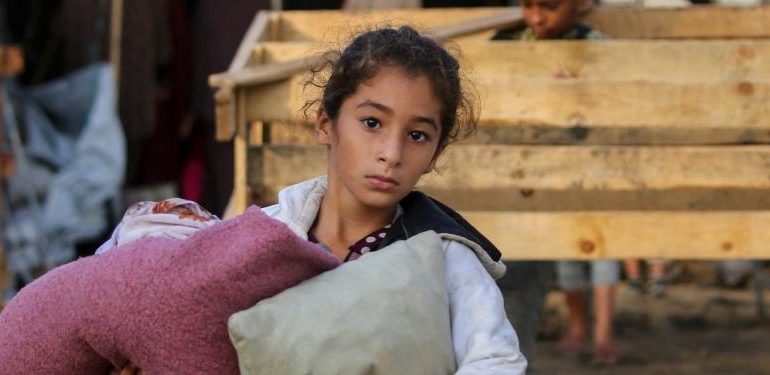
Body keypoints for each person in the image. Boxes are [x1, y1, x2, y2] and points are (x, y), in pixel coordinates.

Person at [110, 26, 526, 374]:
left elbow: (495, 361)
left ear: (435, 153)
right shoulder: (266, 236)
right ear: (326, 125)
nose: (392, 153)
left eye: (418, 135)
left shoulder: (446, 256)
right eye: (371, 123)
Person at [494, 0, 621, 367]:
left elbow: (618, 108)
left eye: (548, 7)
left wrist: (578, 97)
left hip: (585, 175)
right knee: (531, 273)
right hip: (520, 182)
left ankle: (600, 334)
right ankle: (566, 333)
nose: (536, 17)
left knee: (597, 252)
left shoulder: (598, 48)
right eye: (528, 6)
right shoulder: (505, 42)